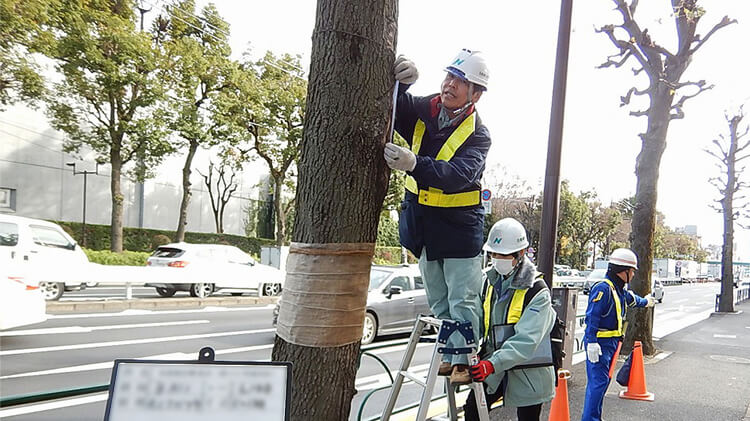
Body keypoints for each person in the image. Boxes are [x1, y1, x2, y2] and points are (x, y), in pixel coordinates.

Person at [384, 49, 491, 384]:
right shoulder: (423, 109)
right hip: (423, 226)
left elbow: (457, 175)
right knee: (439, 298)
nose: (450, 85)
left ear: (476, 94)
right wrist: (403, 85)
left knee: (462, 298)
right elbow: (393, 110)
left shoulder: (479, 135)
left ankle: (463, 360)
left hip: (459, 229)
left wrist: (415, 164)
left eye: (461, 82)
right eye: (449, 77)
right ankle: (449, 355)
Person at [464, 218, 556, 421]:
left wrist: (491, 364)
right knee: (473, 410)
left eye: (503, 255)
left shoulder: (537, 291)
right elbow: (480, 320)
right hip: (495, 365)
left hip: (529, 372)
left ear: (521, 253)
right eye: (494, 254)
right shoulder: (488, 281)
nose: (497, 259)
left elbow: (526, 341)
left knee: (527, 418)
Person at [581, 248, 656, 421]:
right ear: (623, 271)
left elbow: (633, 300)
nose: (634, 275)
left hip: (612, 344)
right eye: (632, 271)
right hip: (599, 344)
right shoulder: (603, 289)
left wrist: (647, 302)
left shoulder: (618, 290)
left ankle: (595, 417)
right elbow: (592, 317)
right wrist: (591, 342)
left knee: (602, 383)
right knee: (597, 384)